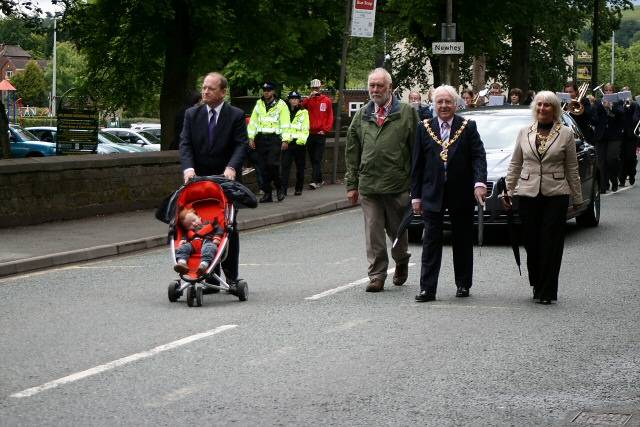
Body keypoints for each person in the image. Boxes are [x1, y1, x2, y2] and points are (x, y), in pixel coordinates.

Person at [502, 91, 583, 305]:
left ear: (554, 109)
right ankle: (537, 282)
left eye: (547, 105)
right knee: (532, 242)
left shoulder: (565, 133)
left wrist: (577, 197)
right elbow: (515, 164)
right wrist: (508, 190)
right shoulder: (524, 132)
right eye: (539, 105)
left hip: (556, 193)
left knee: (551, 242)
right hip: (528, 193)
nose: (542, 109)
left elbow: (572, 167)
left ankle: (548, 290)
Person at [411, 85, 487, 302]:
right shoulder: (423, 128)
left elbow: (478, 157)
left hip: (461, 192)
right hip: (432, 192)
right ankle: (427, 288)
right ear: (434, 105)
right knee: (431, 241)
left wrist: (479, 182)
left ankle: (463, 284)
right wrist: (415, 196)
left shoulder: (468, 127)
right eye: (440, 102)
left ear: (456, 104)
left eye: (448, 102)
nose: (444, 106)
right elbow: (417, 165)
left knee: (462, 239)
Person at [345, 67, 418, 293]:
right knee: (373, 230)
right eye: (372, 86)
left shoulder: (406, 113)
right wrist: (351, 184)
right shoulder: (361, 115)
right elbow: (352, 151)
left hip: (397, 184)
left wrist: (416, 184)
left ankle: (401, 260)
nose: (375, 90)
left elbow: (417, 150)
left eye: (379, 86)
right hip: (369, 185)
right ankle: (376, 275)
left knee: (397, 231)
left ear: (390, 88)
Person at [179, 71, 247, 285]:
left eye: (211, 88)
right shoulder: (192, 114)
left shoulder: (235, 115)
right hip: (199, 182)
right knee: (201, 227)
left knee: (228, 228)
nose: (205, 91)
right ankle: (210, 276)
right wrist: (188, 169)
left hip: (225, 180)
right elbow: (185, 144)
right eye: (204, 87)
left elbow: (241, 144)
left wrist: (231, 168)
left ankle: (232, 277)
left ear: (223, 92)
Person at [248, 82, 291, 202]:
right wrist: (251, 137)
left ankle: (279, 187)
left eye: (269, 90)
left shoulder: (281, 105)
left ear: (273, 92)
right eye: (264, 90)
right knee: (262, 167)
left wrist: (285, 139)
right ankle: (268, 193)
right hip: (261, 139)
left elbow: (285, 123)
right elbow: (253, 122)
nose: (266, 92)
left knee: (272, 165)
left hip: (274, 139)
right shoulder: (259, 103)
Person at [592, 82, 624, 192]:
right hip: (601, 135)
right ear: (603, 92)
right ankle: (603, 185)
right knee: (601, 162)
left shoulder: (618, 102)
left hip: (614, 135)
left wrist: (610, 106)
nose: (608, 92)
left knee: (611, 159)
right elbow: (594, 119)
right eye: (606, 90)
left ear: (614, 92)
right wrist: (593, 108)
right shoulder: (598, 103)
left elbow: (621, 112)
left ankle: (614, 179)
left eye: (610, 90)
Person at [303, 79, 334, 190]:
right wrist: (308, 97)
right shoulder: (309, 100)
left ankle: (314, 181)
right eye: (313, 88)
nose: (315, 90)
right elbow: (301, 108)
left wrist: (325, 130)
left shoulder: (326, 101)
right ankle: (320, 179)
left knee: (317, 158)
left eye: (317, 88)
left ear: (320, 88)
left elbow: (330, 116)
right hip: (310, 133)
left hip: (320, 133)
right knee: (312, 158)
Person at [174, 208, 223, 275]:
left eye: (194, 220)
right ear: (186, 228)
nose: (194, 224)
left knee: (210, 248)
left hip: (208, 242)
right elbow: (185, 236)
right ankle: (182, 263)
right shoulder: (189, 232)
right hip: (193, 244)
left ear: (199, 217)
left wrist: (217, 237)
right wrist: (183, 240)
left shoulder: (210, 224)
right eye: (189, 225)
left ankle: (203, 265)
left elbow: (219, 229)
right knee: (183, 248)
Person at [280, 91, 309, 197]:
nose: (294, 100)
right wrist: (284, 140)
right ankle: (283, 190)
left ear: (299, 100)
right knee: (285, 167)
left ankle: (298, 188)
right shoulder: (285, 111)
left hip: (299, 144)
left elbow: (305, 128)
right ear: (289, 100)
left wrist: (300, 142)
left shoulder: (304, 112)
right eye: (292, 98)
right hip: (287, 143)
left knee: (300, 167)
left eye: (296, 99)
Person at [620, 91, 639, 186]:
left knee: (630, 157)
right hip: (620, 135)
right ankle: (622, 179)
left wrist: (630, 106)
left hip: (631, 135)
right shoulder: (620, 105)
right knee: (621, 157)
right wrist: (623, 107)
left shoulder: (635, 105)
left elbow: (636, 119)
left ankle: (632, 174)